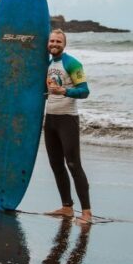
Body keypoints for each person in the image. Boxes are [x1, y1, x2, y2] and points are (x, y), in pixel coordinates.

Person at [44, 29, 92, 224]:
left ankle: (86, 213)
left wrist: (64, 91)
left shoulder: (72, 63)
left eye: (58, 41)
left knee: (73, 164)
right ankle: (67, 207)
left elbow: (84, 91)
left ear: (64, 44)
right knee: (56, 164)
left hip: (67, 120)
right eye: (52, 41)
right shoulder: (48, 64)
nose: (54, 44)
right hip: (50, 119)